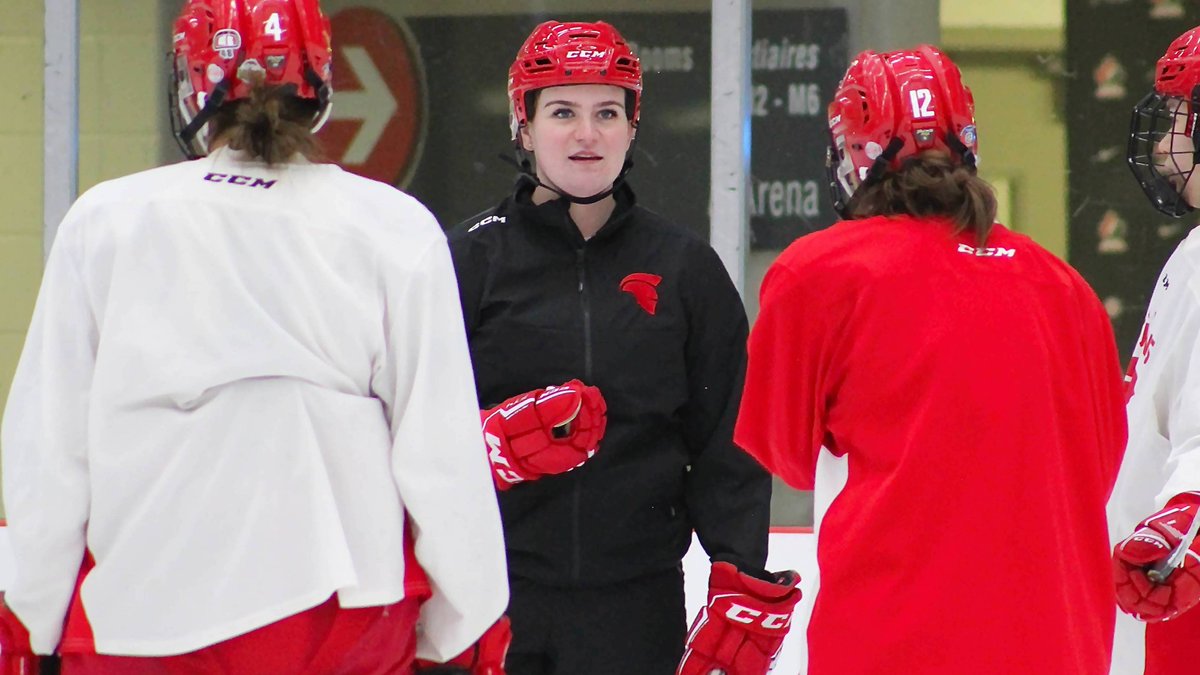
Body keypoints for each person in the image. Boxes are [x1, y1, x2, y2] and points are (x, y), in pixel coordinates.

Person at [0, 1, 508, 673]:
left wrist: (30, 614)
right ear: (320, 84)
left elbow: (50, 446)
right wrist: (466, 615)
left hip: (143, 612)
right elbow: (439, 451)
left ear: (191, 81)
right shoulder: (391, 227)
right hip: (343, 619)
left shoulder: (108, 222)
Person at [736, 45, 1127, 673]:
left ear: (851, 149)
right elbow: (1100, 467)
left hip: (890, 641)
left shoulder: (816, 272)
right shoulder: (1065, 286)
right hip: (1060, 644)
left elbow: (784, 455)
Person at [447, 20, 799, 675]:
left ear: (633, 125)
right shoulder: (465, 260)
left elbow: (728, 438)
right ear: (521, 125)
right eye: (562, 111)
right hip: (489, 601)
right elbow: (410, 430)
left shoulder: (685, 269)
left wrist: (740, 572)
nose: (587, 133)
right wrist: (483, 442)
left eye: (607, 111)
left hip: (635, 611)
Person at [1111, 23, 1200, 675]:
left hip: (1179, 590)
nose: (1166, 145)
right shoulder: (1193, 250)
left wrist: (1184, 522)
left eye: (1178, 116)